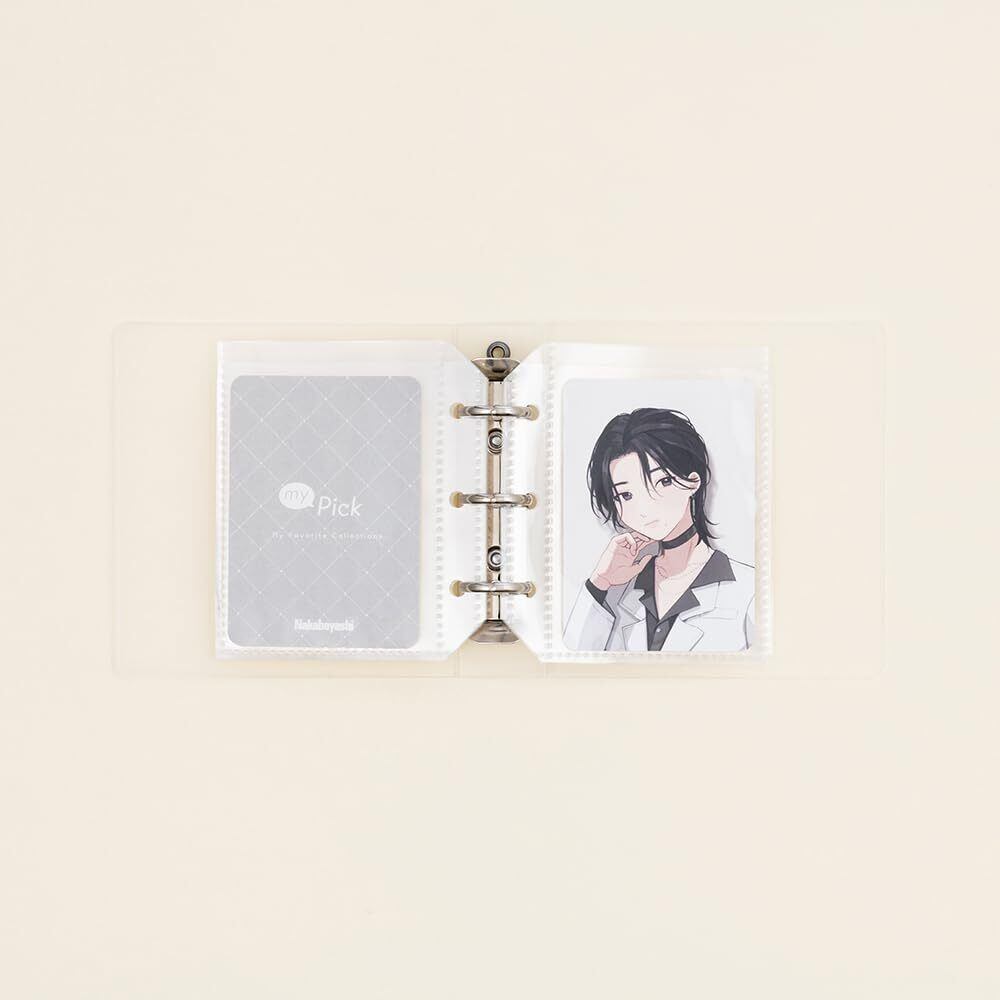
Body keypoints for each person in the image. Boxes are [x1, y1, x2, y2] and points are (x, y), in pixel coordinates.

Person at [564, 407, 754, 652]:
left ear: (693, 481)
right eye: (626, 495)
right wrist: (599, 582)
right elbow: (571, 660)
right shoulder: (615, 590)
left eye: (662, 482)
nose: (645, 508)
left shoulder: (749, 592)